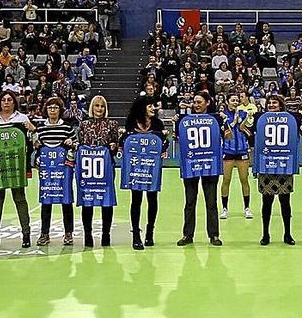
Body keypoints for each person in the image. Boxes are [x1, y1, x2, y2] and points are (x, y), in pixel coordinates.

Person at [0, 90, 37, 248]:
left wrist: (32, 129)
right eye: (3, 99)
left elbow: (33, 141)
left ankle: (26, 234)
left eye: (9, 100)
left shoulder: (22, 118)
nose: (6, 102)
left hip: (16, 166)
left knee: (20, 198)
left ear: (14, 102)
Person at [254, 94, 302, 246]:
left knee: (285, 202)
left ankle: (287, 233)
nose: (272, 105)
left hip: (285, 165)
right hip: (266, 166)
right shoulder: (259, 119)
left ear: (281, 105)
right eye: (269, 103)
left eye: (275, 103)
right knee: (266, 202)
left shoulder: (292, 119)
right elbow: (243, 128)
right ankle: (265, 234)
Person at [176, 91, 224, 247]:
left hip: (210, 165)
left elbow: (228, 137)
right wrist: (176, 123)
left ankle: (214, 235)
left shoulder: (216, 120)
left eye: (199, 102)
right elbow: (178, 140)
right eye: (194, 102)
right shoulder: (183, 121)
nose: (196, 105)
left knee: (211, 202)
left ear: (207, 103)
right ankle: (187, 235)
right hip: (191, 165)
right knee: (190, 202)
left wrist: (226, 123)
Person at [123, 96, 169, 250]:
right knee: (136, 200)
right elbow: (124, 141)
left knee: (152, 198)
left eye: (153, 106)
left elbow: (164, 143)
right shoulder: (131, 123)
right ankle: (136, 234)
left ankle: (150, 231)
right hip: (135, 168)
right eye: (150, 105)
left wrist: (164, 146)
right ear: (142, 107)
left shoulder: (157, 123)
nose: (153, 108)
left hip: (152, 168)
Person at [77, 95, 120, 247]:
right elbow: (81, 144)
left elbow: (116, 144)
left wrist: (114, 146)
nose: (99, 109)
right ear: (92, 107)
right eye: (97, 106)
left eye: (102, 106)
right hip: (88, 169)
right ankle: (87, 234)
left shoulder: (112, 124)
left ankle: (106, 234)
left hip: (106, 168)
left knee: (106, 201)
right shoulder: (84, 124)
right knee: (87, 201)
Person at [34, 97, 76, 246]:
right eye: (50, 107)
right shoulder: (41, 129)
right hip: (47, 171)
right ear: (46, 110)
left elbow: (76, 145)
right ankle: (44, 233)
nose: (53, 110)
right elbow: (36, 148)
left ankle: (68, 233)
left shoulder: (67, 127)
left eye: (56, 108)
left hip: (64, 171)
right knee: (46, 200)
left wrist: (72, 143)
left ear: (60, 110)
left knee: (66, 201)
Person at [219, 93, 253, 220]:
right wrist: (232, 122)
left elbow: (248, 130)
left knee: (244, 179)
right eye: (232, 100)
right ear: (227, 101)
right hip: (228, 150)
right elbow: (224, 132)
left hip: (242, 150)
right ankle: (224, 209)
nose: (235, 102)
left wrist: (243, 120)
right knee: (226, 180)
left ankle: (247, 208)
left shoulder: (244, 114)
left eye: (236, 100)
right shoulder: (222, 115)